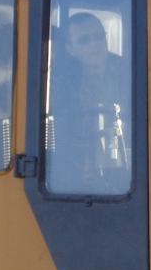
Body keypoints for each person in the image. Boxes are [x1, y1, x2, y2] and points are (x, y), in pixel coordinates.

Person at [48, 11, 132, 194]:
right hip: (75, 172)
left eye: (98, 36)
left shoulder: (130, 71)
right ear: (70, 48)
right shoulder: (59, 82)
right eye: (84, 40)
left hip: (126, 169)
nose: (95, 44)